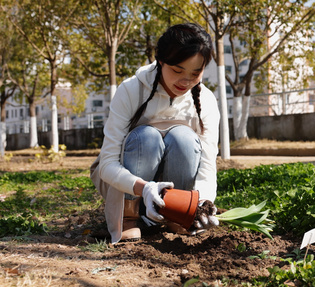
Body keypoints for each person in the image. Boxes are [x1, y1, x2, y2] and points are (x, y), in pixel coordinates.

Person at [93, 23, 220, 244]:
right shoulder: (131, 90)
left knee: (184, 138)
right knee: (147, 137)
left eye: (196, 72)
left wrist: (202, 204)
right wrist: (145, 188)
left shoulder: (206, 100)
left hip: (174, 190)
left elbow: (207, 166)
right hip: (129, 185)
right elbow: (107, 163)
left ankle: (176, 215)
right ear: (160, 61)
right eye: (178, 70)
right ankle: (128, 217)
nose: (186, 81)